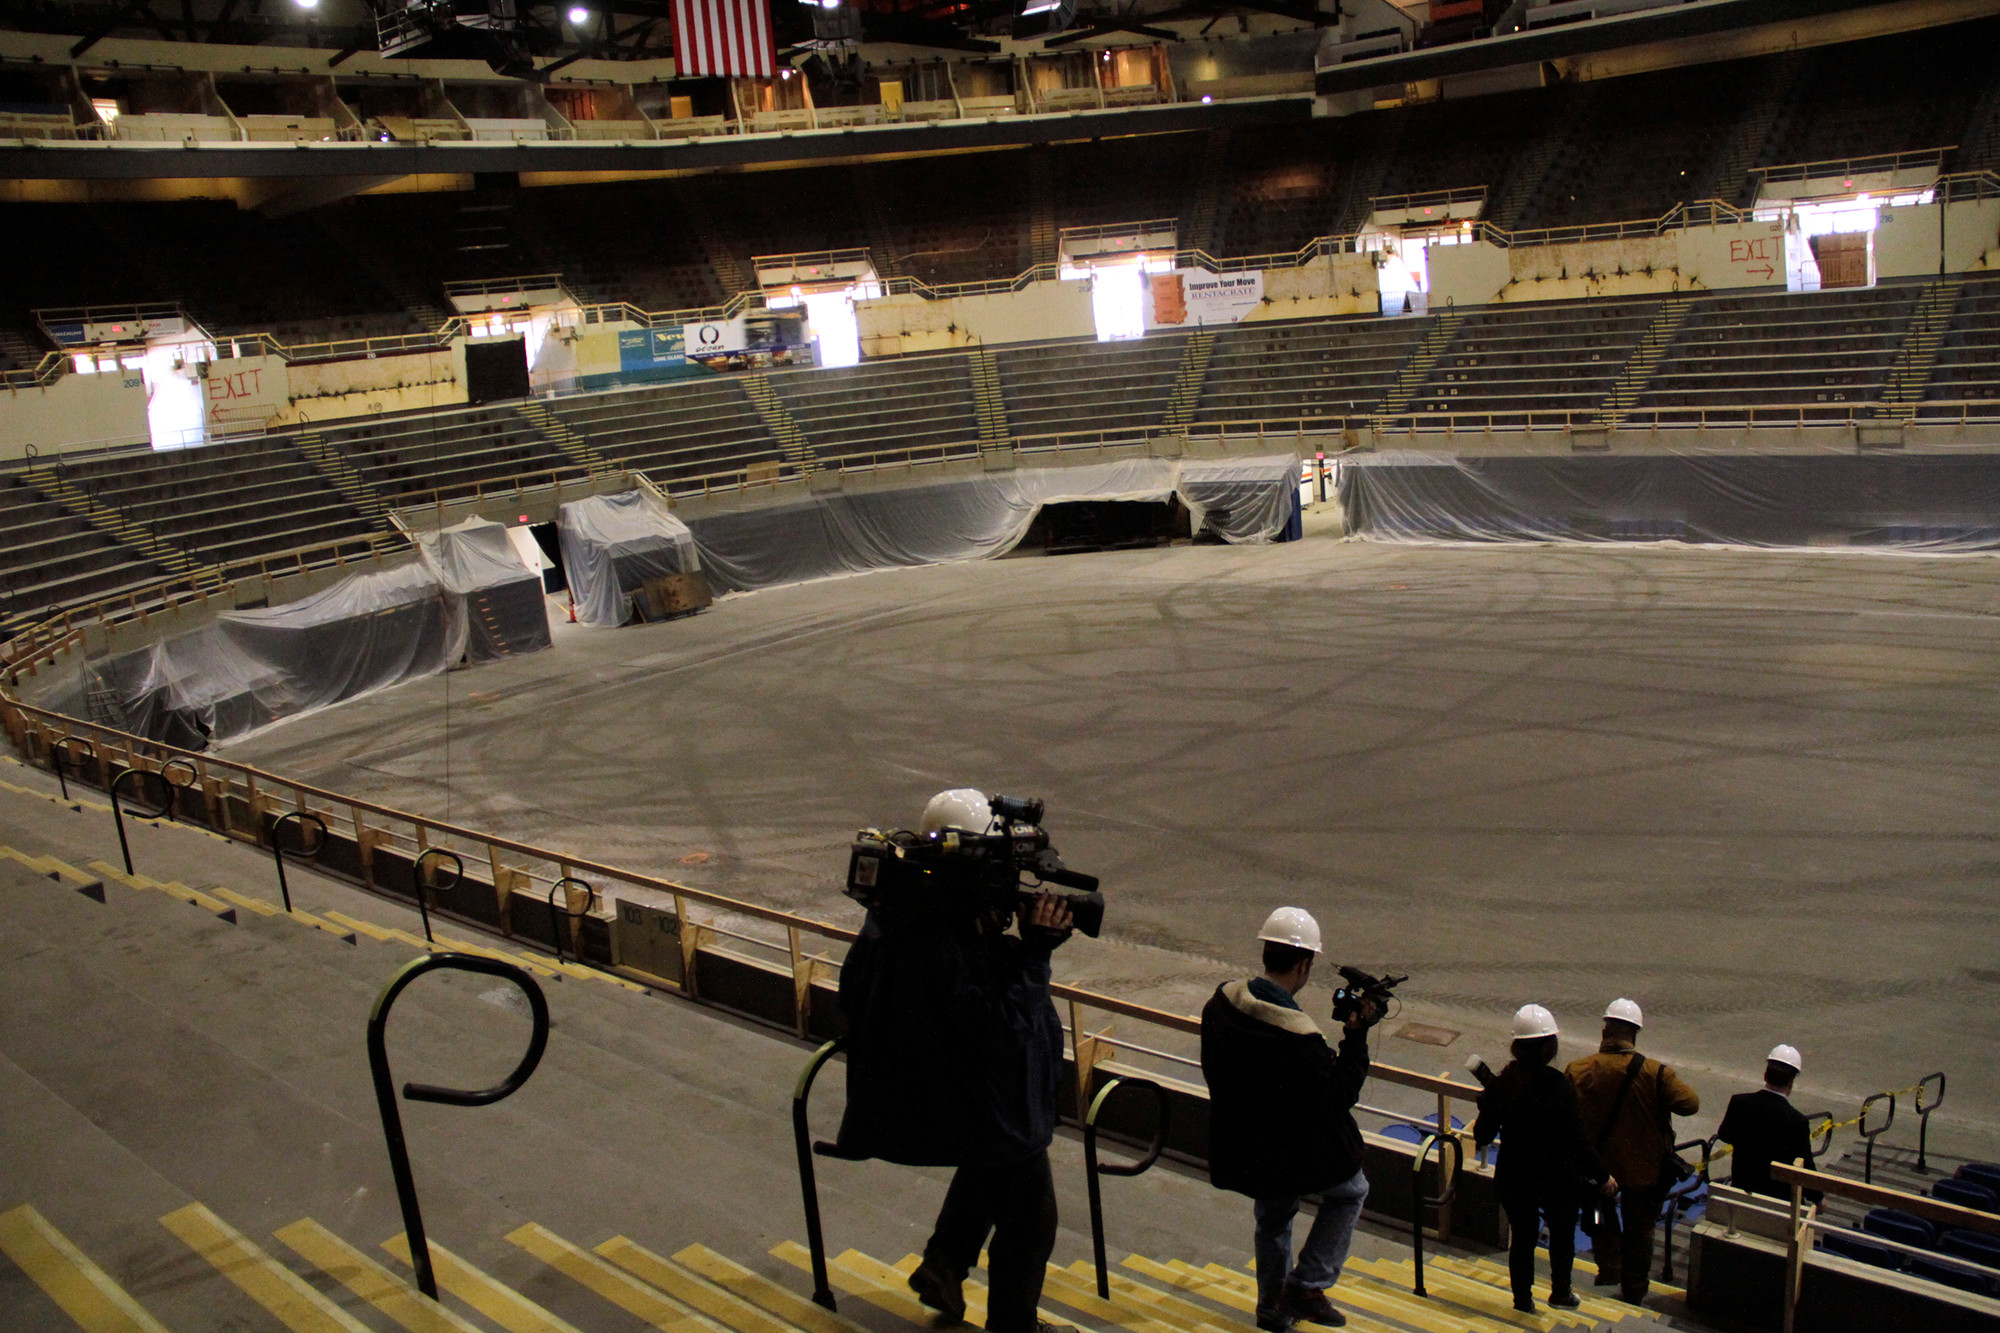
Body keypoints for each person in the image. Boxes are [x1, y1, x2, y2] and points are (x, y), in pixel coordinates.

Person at [834, 789, 1077, 1333]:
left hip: (905, 1099)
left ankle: (944, 1265)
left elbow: (851, 999)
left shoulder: (894, 917)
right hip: (955, 1110)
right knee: (1032, 1216)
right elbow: (1004, 1030)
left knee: (997, 1167)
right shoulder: (947, 943)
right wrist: (1034, 951)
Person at [1201, 908, 1379, 1332]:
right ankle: (1307, 1284)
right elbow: (1339, 1096)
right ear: (1304, 964)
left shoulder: (1221, 1004)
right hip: (1284, 1151)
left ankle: (1272, 1310)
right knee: (1352, 1189)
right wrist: (1355, 1039)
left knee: (1274, 1217)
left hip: (1242, 1144)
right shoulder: (1298, 1037)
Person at [1473, 1005, 1612, 1314]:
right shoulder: (1559, 1085)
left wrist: (1488, 1105)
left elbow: (1482, 1136)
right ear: (1551, 1046)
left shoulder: (1503, 1083)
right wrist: (1603, 1176)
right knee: (1562, 1234)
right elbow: (1578, 1139)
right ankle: (1561, 1292)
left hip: (1515, 1177)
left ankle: (1522, 1300)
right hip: (1557, 1178)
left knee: (1522, 1237)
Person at [1565, 998, 1700, 1305]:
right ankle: (1635, 1289)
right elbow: (1690, 1105)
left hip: (1598, 1168)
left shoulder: (1578, 1070)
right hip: (1644, 1170)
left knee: (1600, 1218)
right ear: (1635, 1034)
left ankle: (1609, 1269)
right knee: (1641, 1230)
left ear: (1604, 1031)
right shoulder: (1655, 1073)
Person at [1718, 1045, 1819, 1201]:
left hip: (1741, 1193)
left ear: (1765, 1075)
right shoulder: (1797, 1121)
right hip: (1779, 1203)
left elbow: (1725, 1134)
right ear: (1791, 1082)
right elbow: (1805, 1168)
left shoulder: (1739, 1103)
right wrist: (1818, 1199)